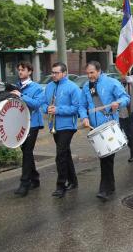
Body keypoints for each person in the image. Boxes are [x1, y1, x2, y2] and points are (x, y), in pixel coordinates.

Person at [79, 61, 130, 200]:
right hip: (95, 128)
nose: (89, 76)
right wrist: (84, 117)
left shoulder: (111, 82)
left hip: (109, 126)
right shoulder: (86, 87)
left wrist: (118, 103)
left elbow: (126, 98)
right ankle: (110, 186)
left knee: (106, 158)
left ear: (99, 71)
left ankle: (105, 189)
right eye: (88, 73)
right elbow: (82, 106)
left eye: (92, 72)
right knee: (104, 158)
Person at [42, 62, 81, 198]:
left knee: (60, 155)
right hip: (54, 125)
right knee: (65, 153)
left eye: (56, 73)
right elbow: (43, 103)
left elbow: (77, 108)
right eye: (52, 72)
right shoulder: (49, 86)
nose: (54, 75)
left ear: (64, 73)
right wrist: (46, 108)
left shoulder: (73, 87)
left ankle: (61, 186)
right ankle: (73, 181)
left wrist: (58, 110)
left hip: (68, 126)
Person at [11, 61, 44, 197]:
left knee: (27, 152)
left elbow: (37, 104)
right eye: (19, 70)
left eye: (23, 70)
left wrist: (21, 96)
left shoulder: (36, 87)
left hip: (33, 123)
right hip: (20, 123)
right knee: (26, 151)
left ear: (30, 72)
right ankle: (35, 178)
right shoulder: (16, 86)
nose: (20, 72)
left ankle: (24, 183)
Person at [119, 74, 133, 162]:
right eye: (121, 75)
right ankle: (132, 148)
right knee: (127, 136)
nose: (122, 76)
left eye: (124, 74)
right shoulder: (118, 84)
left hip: (132, 113)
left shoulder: (132, 83)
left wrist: (132, 82)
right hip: (121, 114)